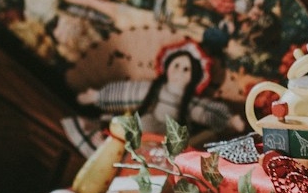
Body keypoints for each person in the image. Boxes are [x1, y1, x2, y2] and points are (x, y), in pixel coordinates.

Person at [80, 39, 244, 141]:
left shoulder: (188, 103)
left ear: (194, 77)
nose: (180, 72)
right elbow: (128, 92)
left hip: (168, 140)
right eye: (177, 66)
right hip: (141, 133)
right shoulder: (153, 90)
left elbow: (205, 112)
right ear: (167, 66)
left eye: (186, 70)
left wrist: (228, 119)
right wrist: (99, 96)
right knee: (122, 126)